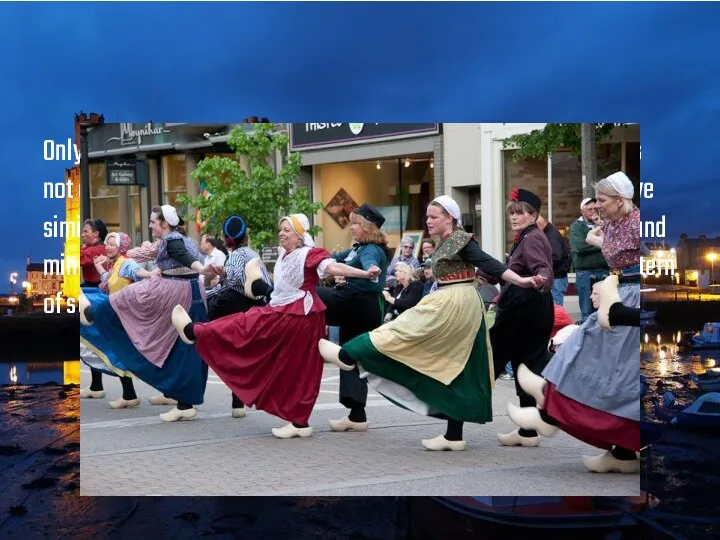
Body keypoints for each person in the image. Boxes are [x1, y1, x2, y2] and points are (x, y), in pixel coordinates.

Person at [318, 195, 546, 451]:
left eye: (433, 216)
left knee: (403, 330)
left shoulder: (461, 239)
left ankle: (348, 354)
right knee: (453, 366)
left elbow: (490, 263)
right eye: (427, 216)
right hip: (451, 299)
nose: (428, 221)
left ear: (450, 218)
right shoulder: (446, 242)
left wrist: (523, 281)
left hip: (455, 302)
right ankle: (453, 436)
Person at [171, 214, 381, 439]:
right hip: (282, 312)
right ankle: (195, 332)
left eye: (287, 230)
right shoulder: (284, 255)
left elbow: (332, 268)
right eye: (280, 229)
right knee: (255, 337)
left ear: (299, 235)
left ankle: (299, 422)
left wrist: (365, 273)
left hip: (301, 318)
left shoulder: (309, 254)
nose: (281, 233)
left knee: (297, 367)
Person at [510, 171, 641, 474]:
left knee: (616, 371)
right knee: (589, 347)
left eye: (603, 201)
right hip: (619, 291)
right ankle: (550, 398)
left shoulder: (640, 225)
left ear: (621, 201)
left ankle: (551, 412)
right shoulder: (611, 222)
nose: (598, 208)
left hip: (632, 297)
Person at [79, 205, 215, 422]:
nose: (150, 225)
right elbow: (146, 251)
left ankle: (92, 312)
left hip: (179, 295)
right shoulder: (174, 239)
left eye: (153, 221)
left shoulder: (173, 241)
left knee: (128, 300)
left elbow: (184, 256)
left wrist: (201, 268)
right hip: (191, 295)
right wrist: (115, 256)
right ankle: (182, 401)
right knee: (181, 349)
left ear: (165, 223)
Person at [316, 204, 390, 433]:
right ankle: (357, 415)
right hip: (356, 306)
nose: (352, 228)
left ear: (367, 227)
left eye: (355, 223)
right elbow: (330, 258)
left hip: (356, 304)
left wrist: (372, 271)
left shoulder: (371, 250)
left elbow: (371, 265)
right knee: (349, 356)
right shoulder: (357, 248)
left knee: (309, 295)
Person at [80, 232, 159, 409]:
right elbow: (109, 282)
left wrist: (148, 274)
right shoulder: (115, 265)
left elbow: (136, 271)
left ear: (121, 247)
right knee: (119, 351)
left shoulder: (126, 263)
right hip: (117, 314)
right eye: (107, 244)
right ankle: (129, 394)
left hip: (124, 315)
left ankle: (133, 395)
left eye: (112, 244)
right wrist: (100, 268)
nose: (107, 247)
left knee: (123, 352)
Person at [205, 215, 272, 418]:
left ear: (227, 238)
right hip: (256, 308)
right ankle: (238, 402)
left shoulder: (235, 255)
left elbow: (233, 280)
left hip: (235, 306)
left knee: (229, 352)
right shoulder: (253, 253)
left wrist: (213, 286)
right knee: (242, 355)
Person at [79, 218, 109, 400]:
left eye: (86, 231)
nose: (83, 234)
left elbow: (80, 258)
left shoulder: (98, 249)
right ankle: (96, 385)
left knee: (98, 339)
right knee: (92, 339)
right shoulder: (92, 248)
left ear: (97, 233)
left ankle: (128, 391)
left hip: (97, 292)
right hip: (91, 291)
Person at [569, 198, 610, 323]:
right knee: (587, 307)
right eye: (590, 209)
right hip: (585, 272)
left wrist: (600, 226)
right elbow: (579, 247)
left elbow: (613, 242)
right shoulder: (577, 226)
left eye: (595, 209)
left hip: (603, 271)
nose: (593, 211)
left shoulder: (603, 224)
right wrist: (602, 244)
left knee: (604, 307)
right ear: (582, 211)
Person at [536, 214, 571, 306]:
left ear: (540, 225)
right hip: (556, 276)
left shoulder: (551, 235)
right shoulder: (550, 233)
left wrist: (541, 265)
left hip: (557, 277)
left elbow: (555, 256)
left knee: (556, 308)